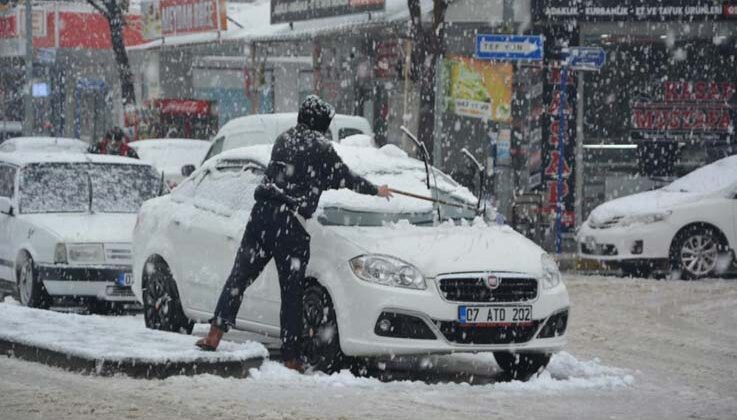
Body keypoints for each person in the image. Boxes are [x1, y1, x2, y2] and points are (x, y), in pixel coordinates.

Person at [195, 95, 393, 372]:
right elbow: (345, 178)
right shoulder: (321, 149)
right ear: (321, 124)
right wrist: (375, 190)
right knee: (291, 293)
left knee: (239, 277)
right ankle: (290, 358)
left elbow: (300, 175)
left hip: (262, 216)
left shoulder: (284, 139)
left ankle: (215, 334)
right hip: (291, 224)